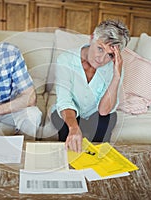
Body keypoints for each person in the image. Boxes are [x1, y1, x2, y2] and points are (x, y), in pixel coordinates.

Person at [50, 20, 130, 152]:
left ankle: (99, 166)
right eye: (100, 49)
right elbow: (64, 100)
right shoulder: (66, 59)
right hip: (70, 114)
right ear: (92, 38)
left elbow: (104, 111)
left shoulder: (114, 68)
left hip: (96, 114)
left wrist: (116, 76)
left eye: (110, 55)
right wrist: (74, 128)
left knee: (108, 119)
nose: (101, 59)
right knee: (66, 131)